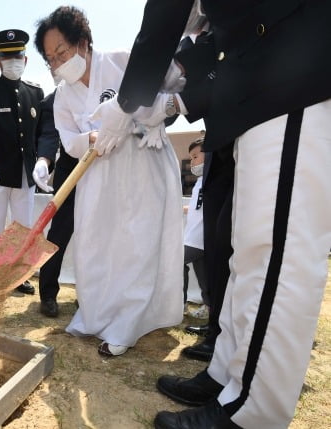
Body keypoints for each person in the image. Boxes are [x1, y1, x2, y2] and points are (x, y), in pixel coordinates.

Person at [91, 0, 331, 427]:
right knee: (247, 257)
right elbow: (228, 42)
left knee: (274, 257)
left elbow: (166, 14)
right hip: (260, 91)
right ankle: (228, 377)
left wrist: (129, 102)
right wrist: (176, 78)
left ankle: (253, 413)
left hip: (297, 79)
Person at [35, 5, 183, 356]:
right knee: (97, 244)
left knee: (136, 242)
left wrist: (153, 118)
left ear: (83, 42)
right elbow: (68, 137)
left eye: (62, 52)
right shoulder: (63, 96)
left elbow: (172, 88)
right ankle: (96, 313)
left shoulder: (122, 60)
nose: (57, 63)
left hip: (142, 165)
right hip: (97, 174)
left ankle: (129, 323)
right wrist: (91, 138)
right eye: (51, 59)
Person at [0, 29, 44, 295]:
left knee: (23, 226)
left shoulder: (35, 92)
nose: (13, 61)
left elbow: (38, 133)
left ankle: (18, 275)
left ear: (25, 59)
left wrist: (41, 162)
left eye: (18, 56)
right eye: (7, 57)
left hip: (25, 172)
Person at [31, 84, 78, 317]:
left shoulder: (102, 85)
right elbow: (50, 133)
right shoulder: (54, 99)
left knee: (97, 235)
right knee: (59, 232)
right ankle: (48, 294)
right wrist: (44, 160)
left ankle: (91, 295)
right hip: (69, 170)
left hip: (103, 170)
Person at [182, 137, 207, 316]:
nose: (192, 162)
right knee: (202, 274)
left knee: (175, 262)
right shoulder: (200, 181)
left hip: (199, 237)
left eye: (196, 156)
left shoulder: (210, 180)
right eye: (191, 158)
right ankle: (209, 306)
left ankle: (178, 302)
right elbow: (196, 208)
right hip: (195, 237)